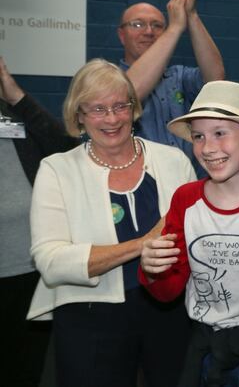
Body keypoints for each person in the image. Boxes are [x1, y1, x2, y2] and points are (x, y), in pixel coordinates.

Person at [27, 59, 194, 386]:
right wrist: (141, 243)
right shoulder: (57, 170)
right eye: (98, 109)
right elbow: (51, 261)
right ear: (79, 115)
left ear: (134, 108)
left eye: (120, 105)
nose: (113, 118)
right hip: (88, 319)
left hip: (169, 312)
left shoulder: (173, 160)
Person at [139, 80, 239, 387]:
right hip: (207, 352)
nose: (208, 148)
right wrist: (151, 270)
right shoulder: (186, 200)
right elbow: (168, 290)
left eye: (220, 133)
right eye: (198, 136)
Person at [0, 57, 77, 387]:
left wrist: (15, 93)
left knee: (25, 366)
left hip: (28, 268)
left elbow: (66, 146)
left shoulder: (13, 115)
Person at [119, 0, 225, 168]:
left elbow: (216, 79)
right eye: (138, 24)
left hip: (189, 180)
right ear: (122, 35)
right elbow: (128, 93)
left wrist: (191, 15)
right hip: (142, 181)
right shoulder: (109, 79)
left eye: (157, 25)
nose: (149, 31)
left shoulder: (179, 76)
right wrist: (174, 27)